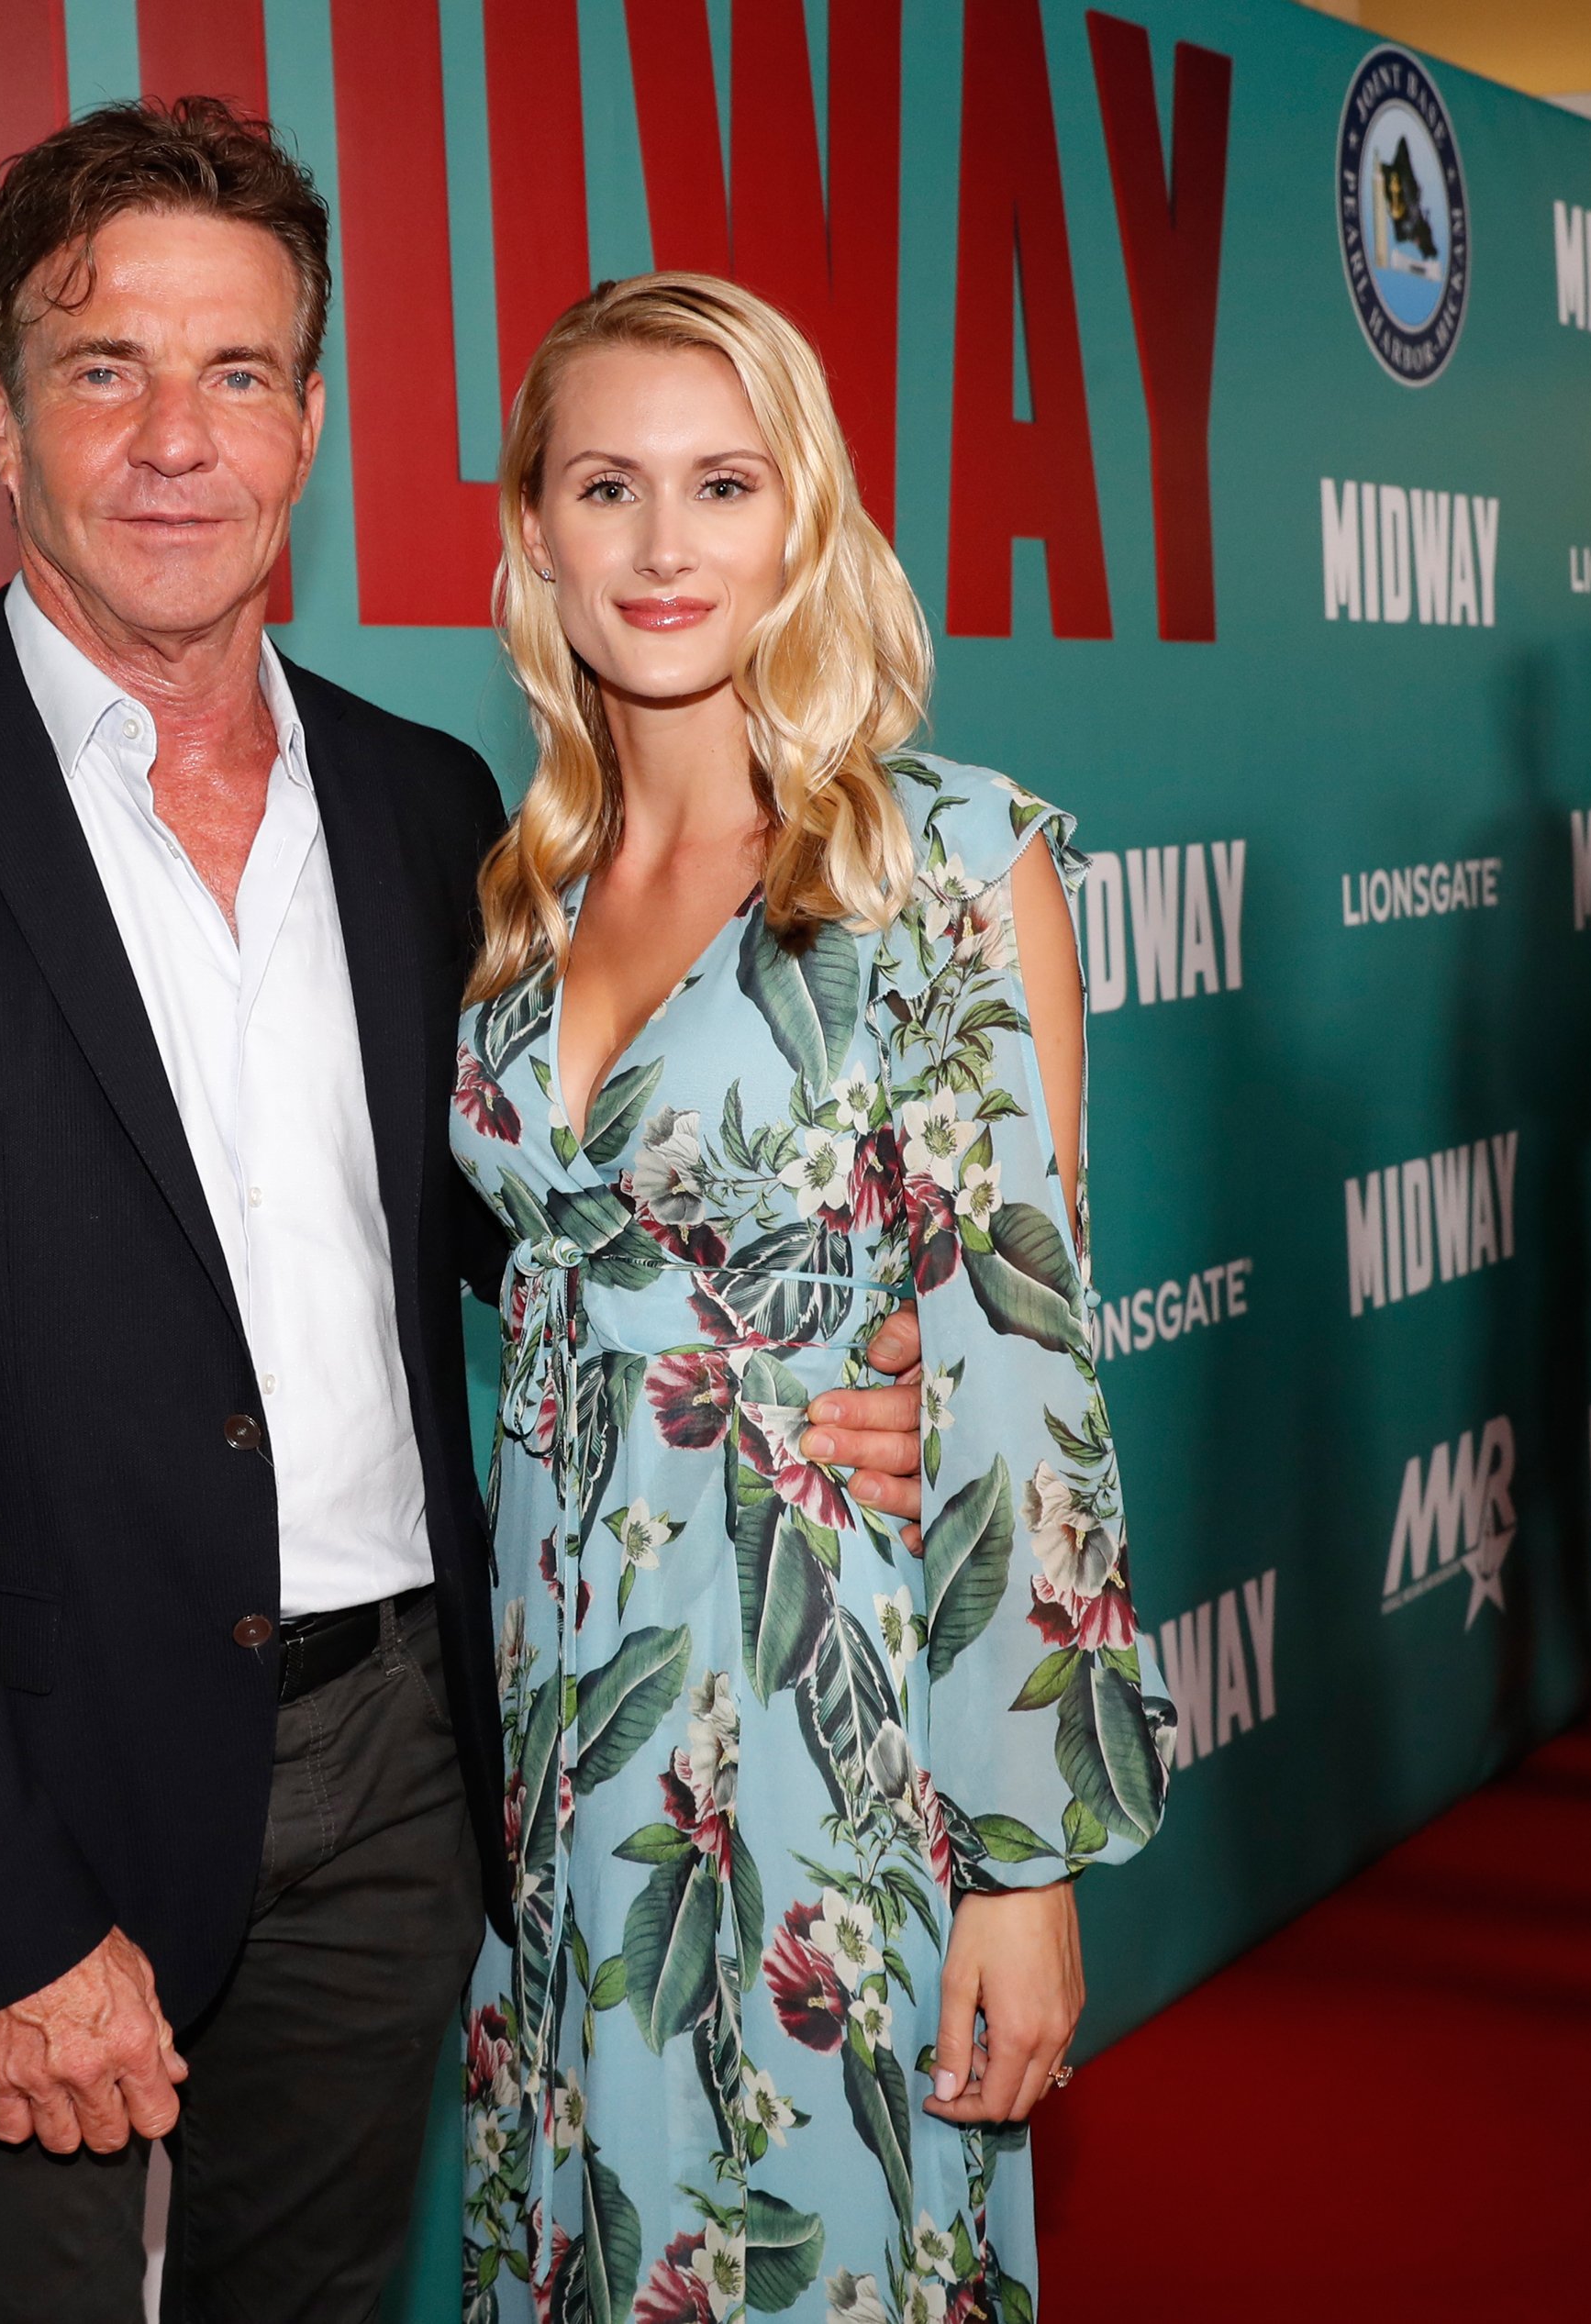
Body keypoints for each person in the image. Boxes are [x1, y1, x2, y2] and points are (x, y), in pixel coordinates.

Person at [0, 106, 930, 2322]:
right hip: (36, 1794)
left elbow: (542, 1231)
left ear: (312, 422)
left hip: (403, 1767)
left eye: (238, 373)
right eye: (103, 370)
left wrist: (850, 1359)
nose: (175, 440)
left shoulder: (426, 802)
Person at [446, 274, 1169, 2323]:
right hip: (551, 1722)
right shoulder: (520, 896)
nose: (663, 546)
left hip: (810, 1713)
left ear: (806, 522)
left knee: (797, 2253)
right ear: (534, 534)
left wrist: (1018, 1869)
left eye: (721, 483)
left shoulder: (937, 861)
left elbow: (1019, 1381)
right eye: (607, 486)